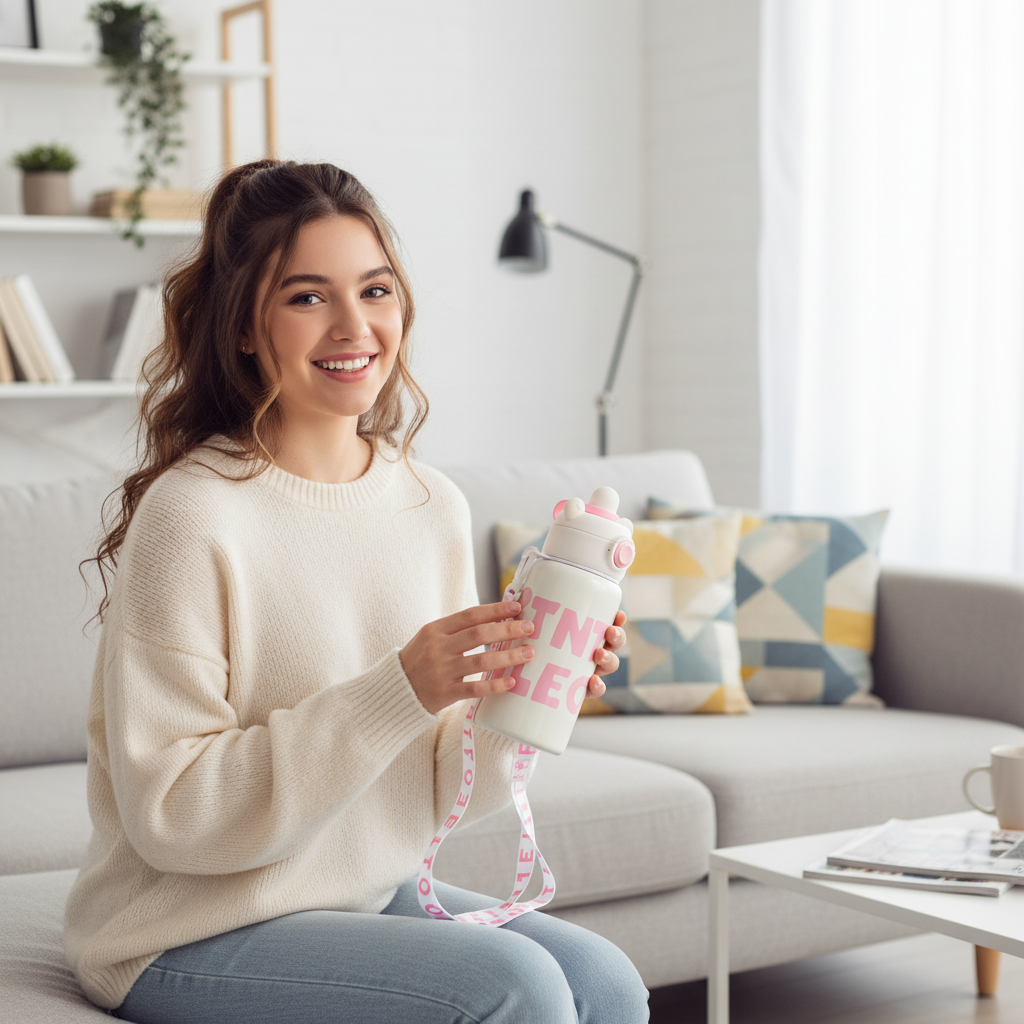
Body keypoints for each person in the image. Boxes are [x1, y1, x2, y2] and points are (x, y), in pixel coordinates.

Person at [64, 159, 650, 1024]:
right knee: (518, 988)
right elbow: (173, 814)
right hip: (182, 927)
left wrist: (527, 694)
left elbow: (440, 788)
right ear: (244, 326)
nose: (354, 327)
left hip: (357, 892)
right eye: (308, 297)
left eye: (375, 290)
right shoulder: (193, 516)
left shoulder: (430, 504)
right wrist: (400, 689)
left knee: (606, 981)